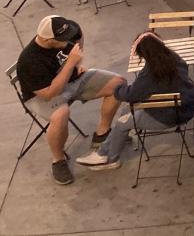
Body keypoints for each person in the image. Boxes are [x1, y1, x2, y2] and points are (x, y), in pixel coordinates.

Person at [15, 16, 125, 185]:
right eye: (62, 39)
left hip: (72, 79)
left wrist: (77, 62)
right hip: (43, 95)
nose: (68, 41)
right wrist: (70, 63)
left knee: (118, 84)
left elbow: (79, 35)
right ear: (46, 39)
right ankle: (58, 160)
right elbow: (49, 93)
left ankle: (102, 134)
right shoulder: (29, 61)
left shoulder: (66, 30)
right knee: (61, 115)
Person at [75, 31, 194, 171]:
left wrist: (117, 89)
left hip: (169, 115)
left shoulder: (151, 73)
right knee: (127, 110)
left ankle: (109, 158)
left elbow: (132, 94)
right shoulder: (175, 59)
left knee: (122, 122)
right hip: (186, 107)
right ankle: (113, 143)